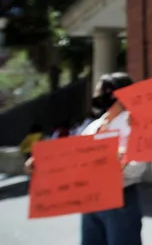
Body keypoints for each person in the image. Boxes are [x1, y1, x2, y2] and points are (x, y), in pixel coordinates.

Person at [26, 72, 145, 245]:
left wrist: (120, 162)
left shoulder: (134, 124)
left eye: (101, 92)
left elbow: (140, 166)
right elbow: (74, 158)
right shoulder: (93, 127)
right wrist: (42, 164)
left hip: (120, 199)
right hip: (90, 201)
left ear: (117, 94)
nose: (96, 97)